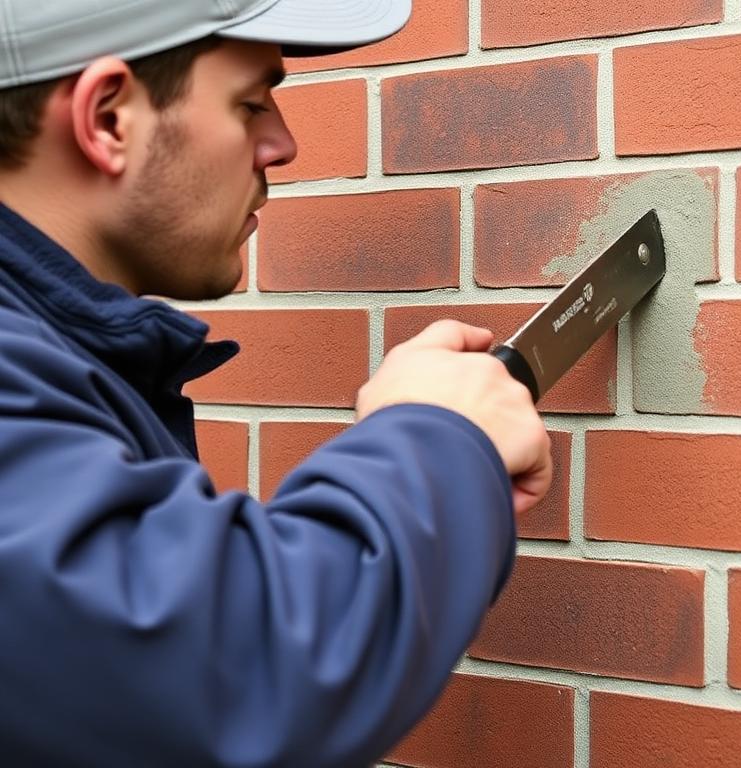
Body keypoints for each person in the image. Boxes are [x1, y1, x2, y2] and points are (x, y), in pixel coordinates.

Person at [0, 1, 552, 765]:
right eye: (251, 103)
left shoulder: (58, 354)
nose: (283, 144)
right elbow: (229, 680)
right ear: (108, 118)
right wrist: (436, 440)